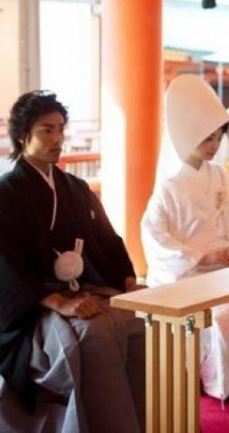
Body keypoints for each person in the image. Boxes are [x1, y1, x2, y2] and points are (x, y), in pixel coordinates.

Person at [0, 91, 144, 432]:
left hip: (83, 288)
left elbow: (108, 241)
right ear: (23, 136)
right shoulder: (5, 193)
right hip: (34, 304)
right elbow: (3, 263)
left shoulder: (76, 189)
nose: (58, 139)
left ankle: (149, 421)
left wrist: (127, 281)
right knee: (94, 335)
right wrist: (58, 303)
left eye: (61, 129)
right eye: (46, 130)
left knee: (143, 319)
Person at [141, 75, 229, 413]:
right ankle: (221, 382)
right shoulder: (169, 188)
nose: (214, 145)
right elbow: (155, 237)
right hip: (190, 273)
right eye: (207, 138)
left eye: (218, 137)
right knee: (227, 314)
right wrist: (201, 256)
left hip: (226, 267)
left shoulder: (221, 178)